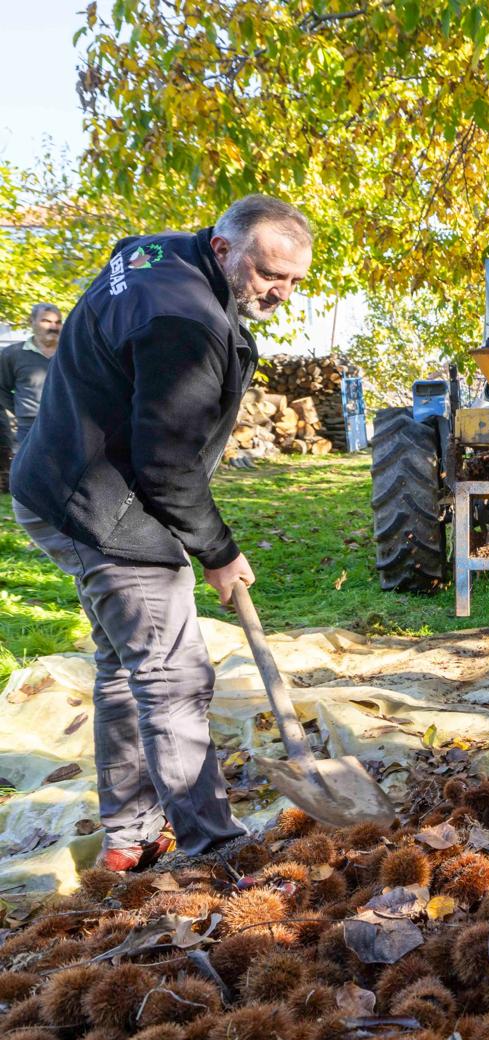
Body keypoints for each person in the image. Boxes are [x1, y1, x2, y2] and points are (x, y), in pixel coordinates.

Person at [10, 194, 313, 870]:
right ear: (225, 248)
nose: (281, 294)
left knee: (126, 667)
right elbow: (167, 463)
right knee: (172, 671)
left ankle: (130, 837)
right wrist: (218, 550)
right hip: (101, 504)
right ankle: (212, 847)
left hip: (60, 482)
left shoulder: (156, 251)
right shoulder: (185, 322)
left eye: (295, 281)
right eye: (269, 275)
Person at [0, 302, 63, 491]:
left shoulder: (71, 351)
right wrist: (20, 409)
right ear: (32, 322)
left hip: (68, 422)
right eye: (46, 320)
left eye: (58, 322)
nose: (53, 326)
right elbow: (1, 388)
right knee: (32, 476)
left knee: (65, 475)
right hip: (29, 425)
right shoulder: (13, 354)